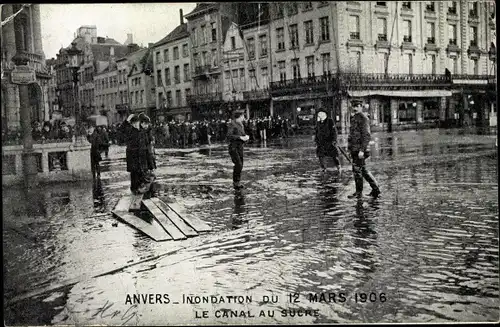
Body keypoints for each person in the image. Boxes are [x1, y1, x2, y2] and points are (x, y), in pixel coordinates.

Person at [347, 101, 381, 198]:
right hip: (355, 149)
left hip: (360, 150)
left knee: (358, 171)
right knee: (362, 170)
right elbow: (352, 136)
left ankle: (359, 193)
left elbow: (366, 136)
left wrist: (362, 150)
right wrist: (350, 149)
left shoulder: (363, 118)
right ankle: (375, 189)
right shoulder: (354, 118)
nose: (354, 108)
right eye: (353, 106)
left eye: (357, 106)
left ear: (361, 107)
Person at [227, 110, 249, 190]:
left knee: (240, 165)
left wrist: (246, 137)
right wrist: (240, 137)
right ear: (239, 117)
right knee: (238, 164)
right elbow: (229, 136)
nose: (244, 117)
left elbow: (242, 135)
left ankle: (237, 181)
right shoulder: (232, 124)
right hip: (233, 147)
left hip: (240, 147)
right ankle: (236, 183)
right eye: (243, 116)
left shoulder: (241, 125)